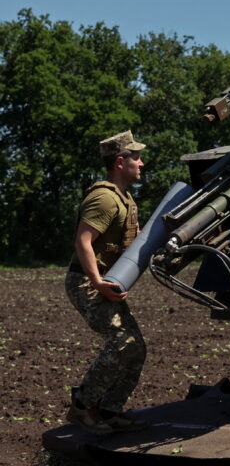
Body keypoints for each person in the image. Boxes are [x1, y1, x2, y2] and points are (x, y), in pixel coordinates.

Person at [65, 130, 149, 435]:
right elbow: (83, 241)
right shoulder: (104, 197)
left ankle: (109, 410)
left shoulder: (125, 199)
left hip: (105, 281)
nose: (141, 162)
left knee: (136, 348)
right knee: (122, 342)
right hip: (87, 281)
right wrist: (98, 282)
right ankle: (82, 406)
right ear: (119, 161)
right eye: (136, 156)